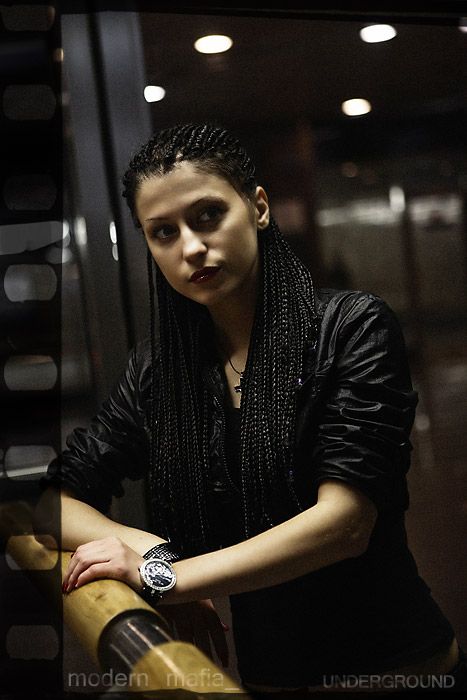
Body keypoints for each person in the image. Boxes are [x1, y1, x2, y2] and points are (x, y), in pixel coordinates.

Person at [35, 123, 464, 694]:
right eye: (163, 232)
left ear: (258, 208)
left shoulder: (350, 328)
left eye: (208, 215)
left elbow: (345, 524)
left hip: (400, 675)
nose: (191, 246)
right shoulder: (160, 372)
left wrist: (166, 578)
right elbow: (51, 502)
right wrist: (151, 548)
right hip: (269, 682)